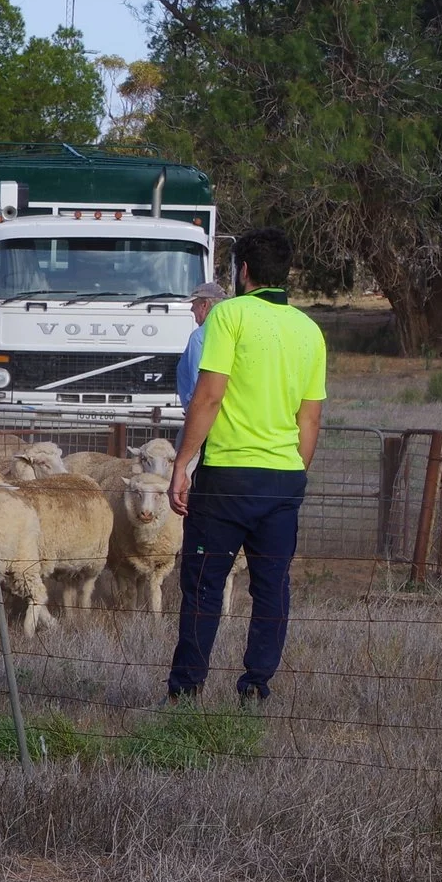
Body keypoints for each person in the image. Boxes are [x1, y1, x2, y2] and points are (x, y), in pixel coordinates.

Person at [166, 228, 325, 705]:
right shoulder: (309, 330)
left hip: (227, 476)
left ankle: (186, 690)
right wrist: (294, 473)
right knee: (271, 588)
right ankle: (256, 686)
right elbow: (310, 418)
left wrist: (182, 463)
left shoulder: (228, 315)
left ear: (244, 271)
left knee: (203, 585)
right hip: (283, 479)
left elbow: (208, 395)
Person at [176, 280, 230, 409]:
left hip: (201, 414)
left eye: (194, 304)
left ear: (204, 305)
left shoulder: (199, 337)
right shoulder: (231, 332)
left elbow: (198, 386)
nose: (191, 309)